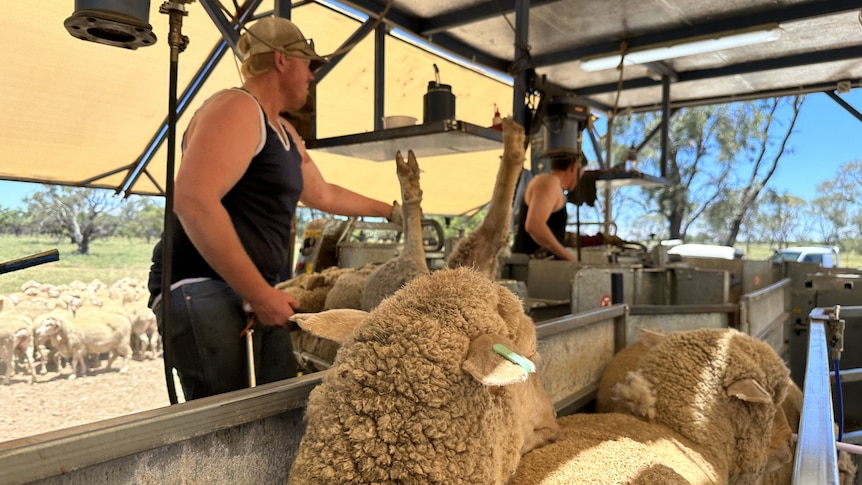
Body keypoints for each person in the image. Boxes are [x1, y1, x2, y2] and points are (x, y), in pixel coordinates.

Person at [147, 16, 399, 401]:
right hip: (201, 287)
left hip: (247, 292)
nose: (312, 76)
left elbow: (323, 194)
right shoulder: (236, 108)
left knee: (277, 410)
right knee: (225, 429)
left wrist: (394, 211)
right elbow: (193, 200)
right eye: (308, 64)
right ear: (282, 60)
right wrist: (260, 294)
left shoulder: (283, 131)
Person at [512, 154, 621, 261]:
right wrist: (569, 259)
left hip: (537, 268)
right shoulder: (549, 182)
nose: (579, 180)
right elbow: (534, 226)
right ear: (574, 167)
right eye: (581, 174)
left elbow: (552, 233)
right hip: (530, 269)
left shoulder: (551, 185)